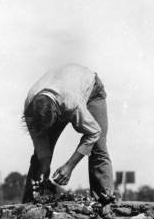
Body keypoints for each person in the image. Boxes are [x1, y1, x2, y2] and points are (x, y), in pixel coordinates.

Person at [22, 63, 117, 204]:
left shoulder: (72, 103)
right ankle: (29, 205)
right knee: (39, 158)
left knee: (98, 147)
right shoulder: (30, 109)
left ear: (57, 115)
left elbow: (94, 132)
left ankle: (105, 202)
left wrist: (69, 166)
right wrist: (44, 166)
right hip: (63, 87)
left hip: (90, 89)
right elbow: (41, 144)